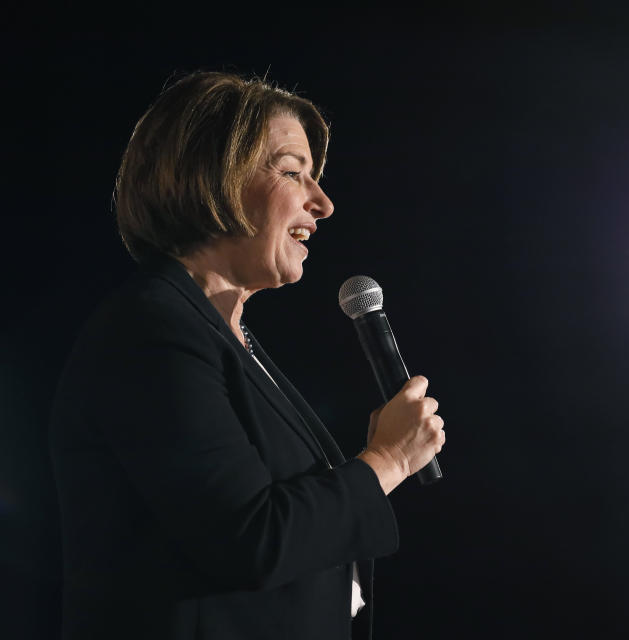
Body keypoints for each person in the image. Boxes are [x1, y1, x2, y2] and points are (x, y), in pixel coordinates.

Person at [49, 71, 445, 640]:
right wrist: (389, 460)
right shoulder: (152, 332)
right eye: (292, 172)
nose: (324, 203)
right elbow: (252, 539)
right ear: (212, 177)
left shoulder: (230, 341)